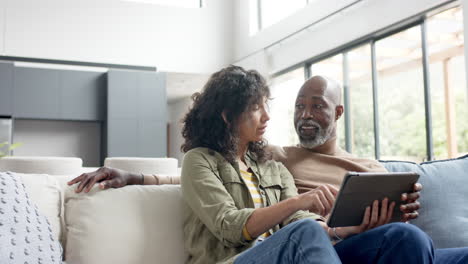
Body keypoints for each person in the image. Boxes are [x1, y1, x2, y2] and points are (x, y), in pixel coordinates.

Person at [69, 66, 438, 264]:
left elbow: (304, 227)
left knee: (405, 237)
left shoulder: (273, 166)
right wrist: (299, 203)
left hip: (286, 256)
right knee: (306, 231)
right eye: (257, 107)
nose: (267, 116)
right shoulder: (200, 161)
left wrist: (350, 229)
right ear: (229, 115)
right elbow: (230, 226)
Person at [269, 75, 468, 263]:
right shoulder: (277, 157)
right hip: (331, 250)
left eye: (317, 106)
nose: (305, 115)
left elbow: (399, 227)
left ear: (338, 112)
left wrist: (399, 211)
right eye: (299, 106)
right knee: (407, 237)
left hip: (389, 248)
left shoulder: (370, 167)